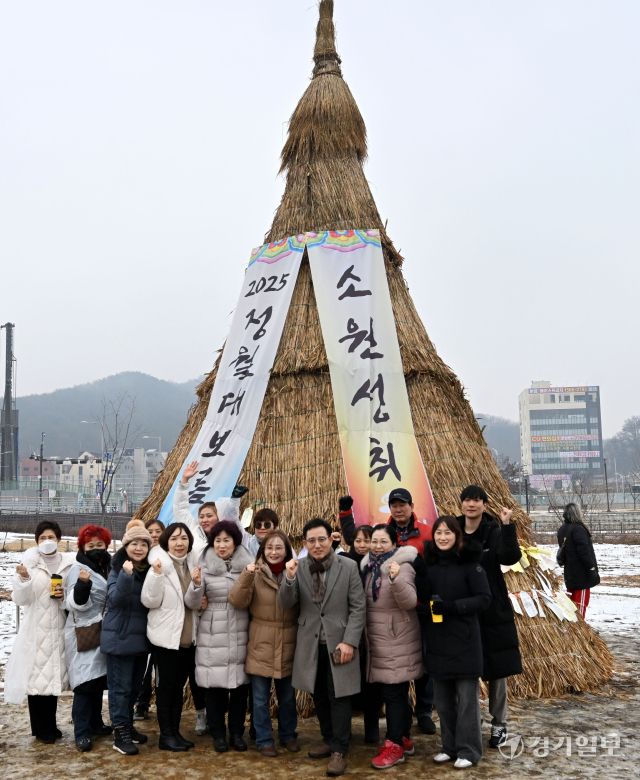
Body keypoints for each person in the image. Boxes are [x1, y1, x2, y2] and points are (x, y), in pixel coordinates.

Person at [339, 491, 435, 735]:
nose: (398, 509)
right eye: (394, 505)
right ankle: (394, 733)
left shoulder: (424, 534)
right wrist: (345, 514)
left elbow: (429, 572)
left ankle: (423, 712)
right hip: (382, 625)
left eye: (403, 505)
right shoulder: (371, 557)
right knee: (392, 683)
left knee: (421, 666)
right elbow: (355, 540)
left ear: (412, 506)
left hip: (414, 610)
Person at [279, 517, 366, 778]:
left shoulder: (348, 566)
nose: (317, 545)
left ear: (332, 539)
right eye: (311, 541)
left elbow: (358, 606)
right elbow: (286, 603)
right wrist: (290, 578)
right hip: (310, 641)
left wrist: (350, 641)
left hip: (339, 641)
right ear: (305, 543)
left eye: (321, 539)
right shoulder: (299, 567)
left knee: (339, 694)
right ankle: (328, 738)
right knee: (318, 693)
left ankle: (340, 748)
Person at [422, 516, 492, 769]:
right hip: (438, 641)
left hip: (465, 641)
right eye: (438, 533)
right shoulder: (429, 566)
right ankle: (449, 747)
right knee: (442, 702)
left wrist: (453, 607)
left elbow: (484, 599)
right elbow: (421, 597)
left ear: (457, 536)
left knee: (466, 703)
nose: (442, 537)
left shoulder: (470, 566)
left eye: (448, 533)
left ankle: (469, 749)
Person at [457, 485, 522, 748]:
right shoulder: (453, 529)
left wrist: (507, 526)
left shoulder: (494, 531)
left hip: (493, 610)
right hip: (463, 610)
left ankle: (499, 724)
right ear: (461, 504)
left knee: (497, 671)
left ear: (484, 504)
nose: (471, 505)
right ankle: (470, 724)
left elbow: (509, 557)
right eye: (467, 500)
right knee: (467, 672)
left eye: (476, 500)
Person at [229, 529, 299, 757]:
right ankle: (264, 738)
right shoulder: (255, 572)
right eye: (269, 548)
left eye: (279, 548)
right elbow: (237, 601)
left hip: (289, 640)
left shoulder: (296, 572)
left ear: (287, 550)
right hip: (260, 640)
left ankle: (288, 735)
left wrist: (290, 578)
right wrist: (247, 576)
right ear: (262, 550)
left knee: (287, 697)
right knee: (259, 698)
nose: (274, 552)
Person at [185, 520, 253, 753]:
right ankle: (218, 733)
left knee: (240, 688)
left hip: (241, 628)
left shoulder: (248, 565)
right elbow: (192, 603)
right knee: (214, 688)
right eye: (218, 541)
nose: (222, 545)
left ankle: (236, 732)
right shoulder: (203, 565)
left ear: (236, 542)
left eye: (227, 540)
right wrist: (195, 587)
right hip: (212, 631)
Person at [4, 520, 75, 743]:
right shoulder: (29, 565)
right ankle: (40, 728)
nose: (47, 541)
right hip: (36, 629)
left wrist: (64, 598)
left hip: (59, 628)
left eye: (51, 537)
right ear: (37, 541)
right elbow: (21, 599)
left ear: (59, 540)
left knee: (52, 678)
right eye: (42, 538)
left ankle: (51, 725)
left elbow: (72, 595)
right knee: (37, 681)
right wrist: (23, 580)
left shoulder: (68, 564)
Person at [361, 524, 422, 770]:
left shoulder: (403, 566)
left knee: (394, 692)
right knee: (395, 692)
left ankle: (395, 744)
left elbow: (409, 602)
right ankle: (404, 737)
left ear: (393, 543)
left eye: (383, 542)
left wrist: (395, 579)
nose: (377, 546)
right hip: (379, 639)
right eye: (374, 541)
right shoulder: (368, 567)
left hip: (397, 638)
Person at [141, 522, 201, 751]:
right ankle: (166, 736)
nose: (179, 543)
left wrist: (197, 587)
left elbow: (192, 603)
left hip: (187, 638)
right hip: (166, 640)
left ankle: (175, 732)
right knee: (166, 689)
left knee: (177, 689)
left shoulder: (190, 566)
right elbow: (149, 601)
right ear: (166, 542)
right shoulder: (160, 566)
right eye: (174, 538)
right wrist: (156, 576)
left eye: (184, 538)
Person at [101, 519, 152, 755]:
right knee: (119, 689)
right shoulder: (118, 568)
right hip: (120, 638)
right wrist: (125, 575)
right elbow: (115, 599)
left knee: (132, 688)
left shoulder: (149, 570)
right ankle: (119, 732)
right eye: (134, 543)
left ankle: (128, 726)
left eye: (144, 543)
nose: (139, 548)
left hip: (140, 640)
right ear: (126, 546)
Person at [64, 523, 113, 752]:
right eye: (90, 545)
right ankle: (81, 732)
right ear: (83, 548)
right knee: (84, 684)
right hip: (83, 631)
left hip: (102, 631)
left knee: (97, 681)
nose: (96, 548)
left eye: (100, 544)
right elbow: (73, 603)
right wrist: (83, 585)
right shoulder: (78, 569)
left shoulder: (108, 566)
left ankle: (96, 723)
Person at [134, 517, 165, 722]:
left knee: (157, 664)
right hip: (140, 618)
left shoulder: (166, 556)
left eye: (157, 531)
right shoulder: (140, 557)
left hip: (161, 618)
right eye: (150, 531)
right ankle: (141, 702)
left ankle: (155, 703)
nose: (154, 535)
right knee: (142, 663)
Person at [556, 503, 600, 617]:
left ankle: (573, 632)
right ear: (577, 513)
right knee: (580, 609)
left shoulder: (562, 530)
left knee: (571, 608)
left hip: (569, 574)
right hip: (582, 576)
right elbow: (584, 552)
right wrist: (592, 569)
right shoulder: (578, 529)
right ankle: (580, 633)